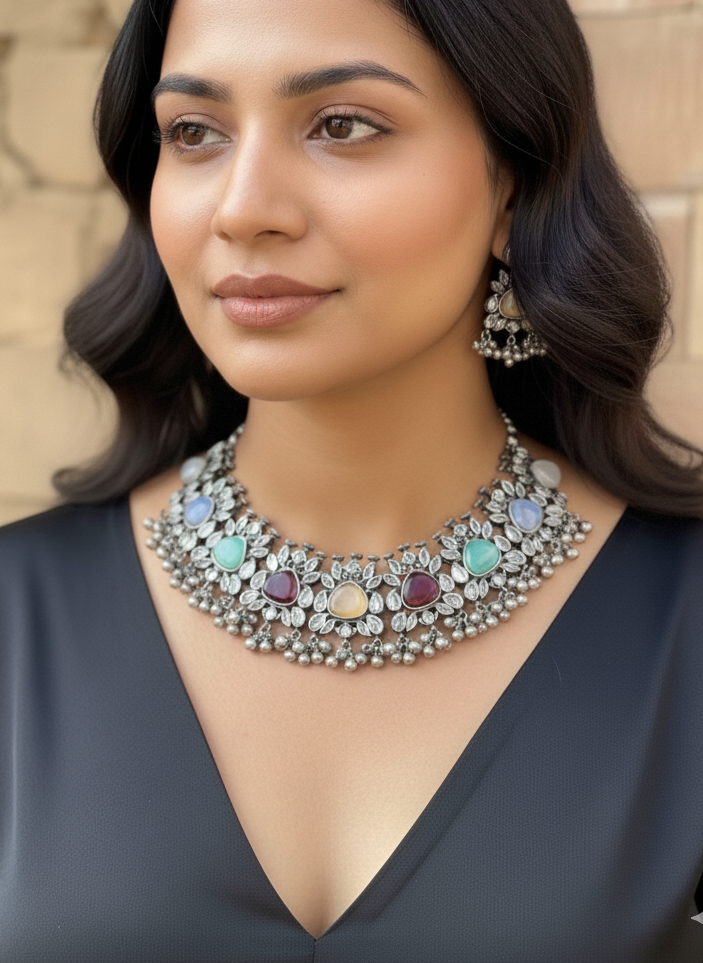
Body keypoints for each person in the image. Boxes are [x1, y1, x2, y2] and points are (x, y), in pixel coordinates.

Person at [1, 0, 702, 959]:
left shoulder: (681, 622)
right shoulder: (18, 614)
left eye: (343, 125)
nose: (244, 207)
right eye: (193, 133)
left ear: (511, 183)